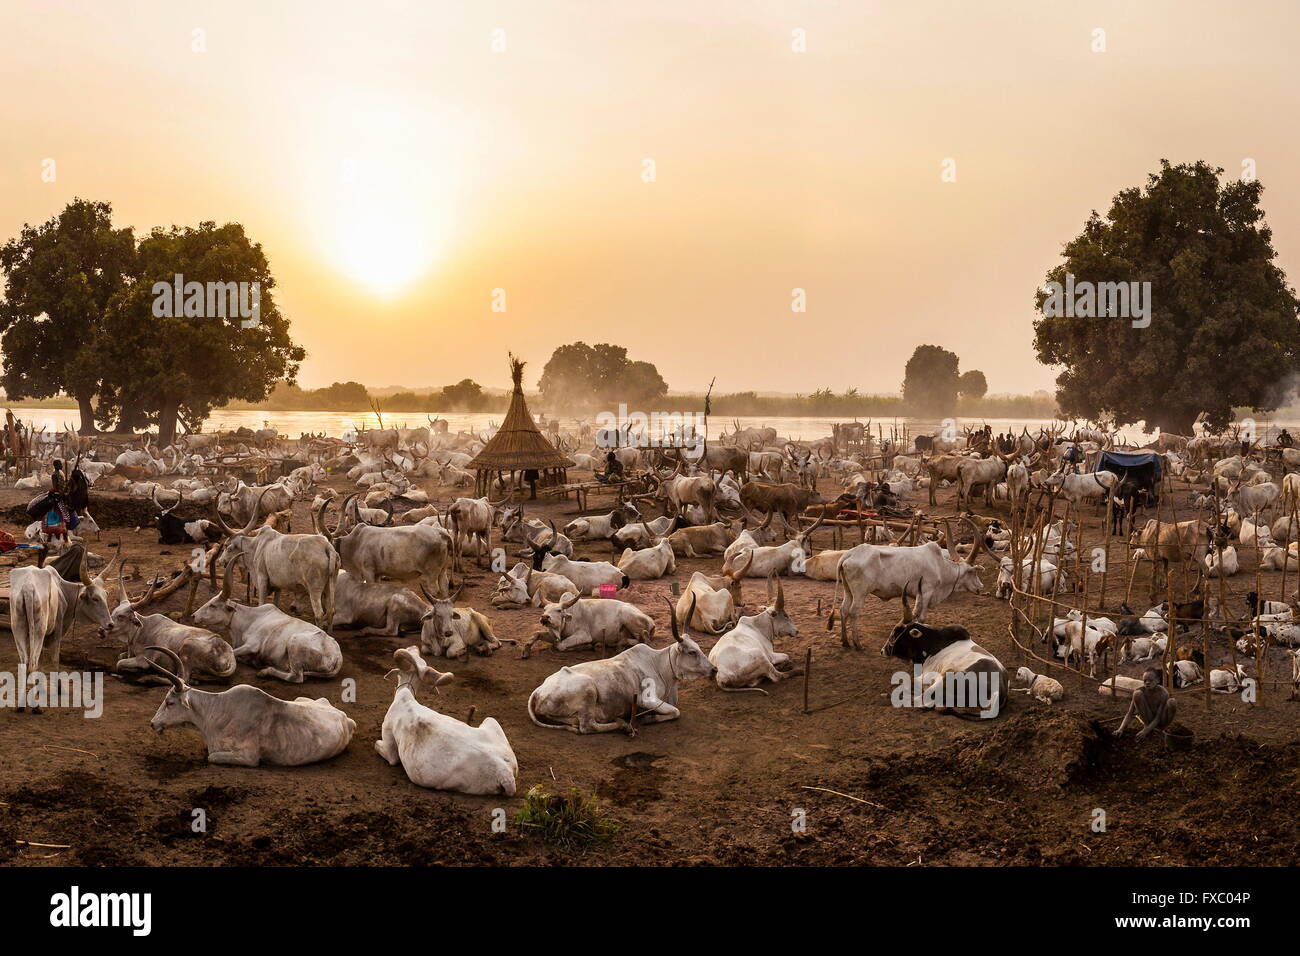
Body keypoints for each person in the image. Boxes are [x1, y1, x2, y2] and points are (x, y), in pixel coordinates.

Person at [1116, 667, 1178, 742]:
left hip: (1161, 721)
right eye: (1145, 680)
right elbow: (1129, 713)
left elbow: (1158, 717)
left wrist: (1145, 731)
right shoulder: (1140, 691)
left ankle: (1162, 729)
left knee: (1172, 702)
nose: (1147, 683)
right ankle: (1147, 725)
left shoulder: (1163, 693)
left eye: (1150, 680)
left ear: (1157, 680)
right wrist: (1120, 729)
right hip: (1148, 719)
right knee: (1137, 694)